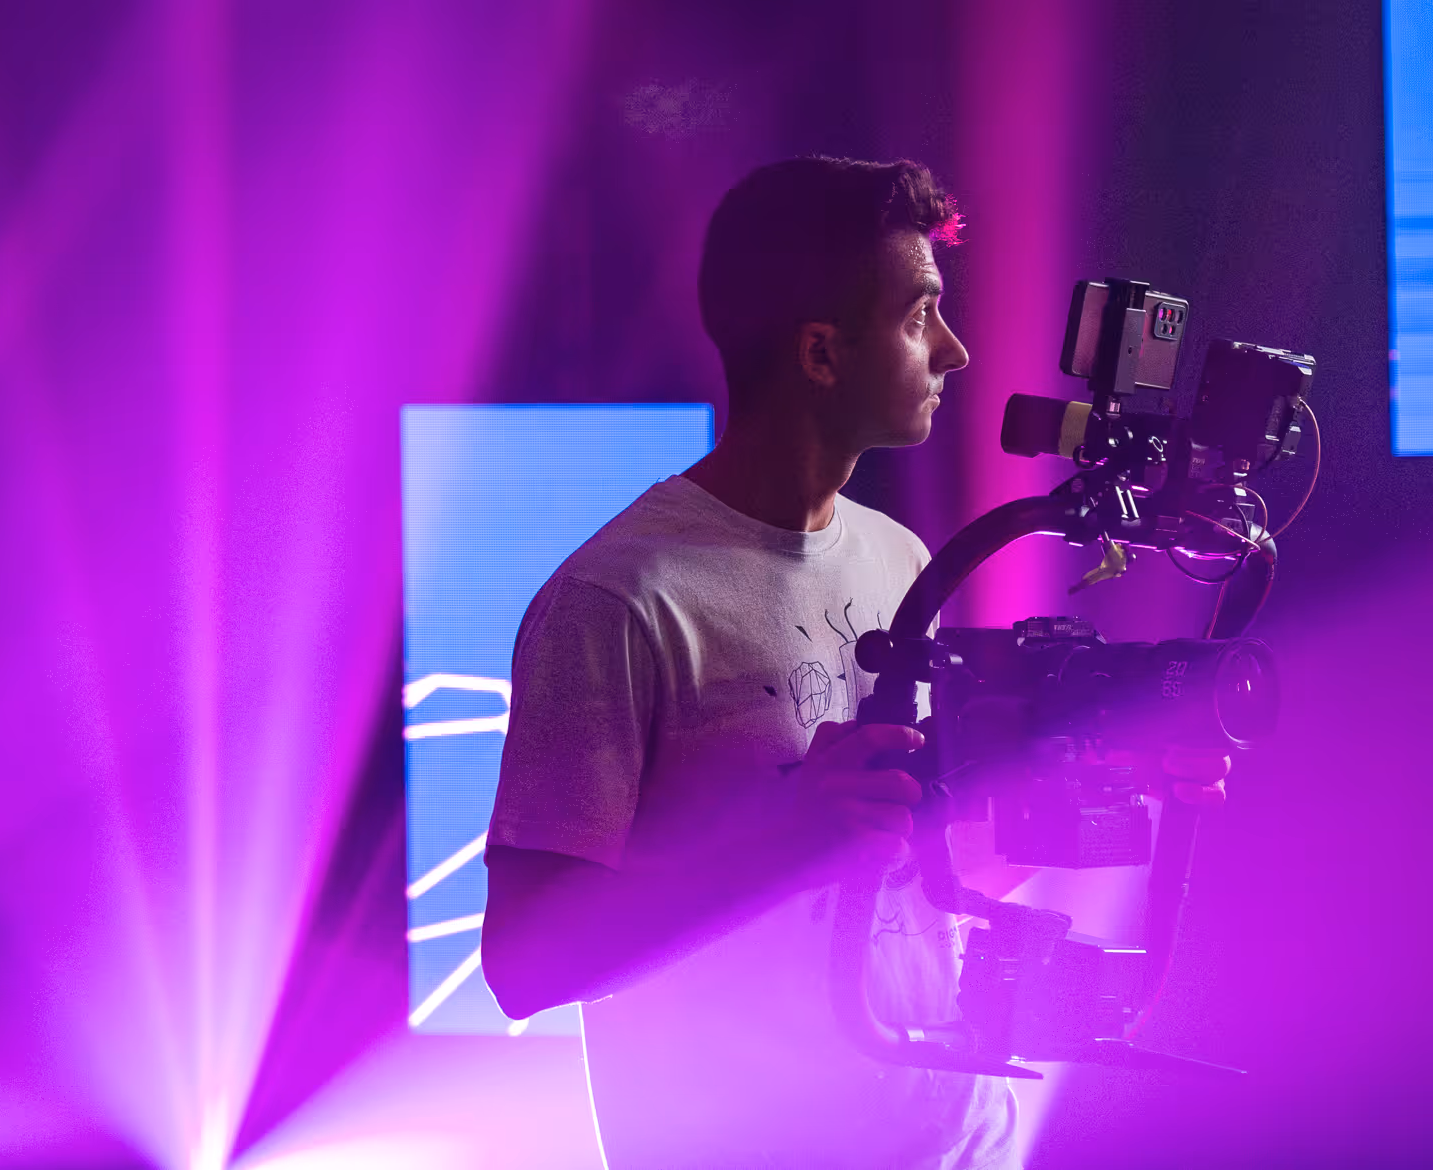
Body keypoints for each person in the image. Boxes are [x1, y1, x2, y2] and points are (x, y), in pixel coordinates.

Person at [481, 156, 1229, 1170]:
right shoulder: (616, 599)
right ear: (822, 353)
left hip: (957, 1145)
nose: (955, 350)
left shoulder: (901, 559)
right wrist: (790, 836)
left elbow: (918, 875)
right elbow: (526, 965)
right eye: (920, 315)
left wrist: (1110, 776)